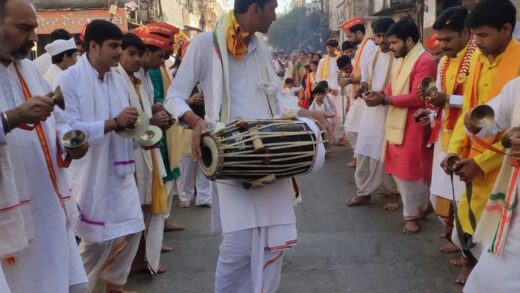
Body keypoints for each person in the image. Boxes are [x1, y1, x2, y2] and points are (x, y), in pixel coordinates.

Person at [165, 0, 332, 291]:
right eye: (273, 8)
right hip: (232, 157)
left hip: (270, 157)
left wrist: (307, 114)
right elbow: (174, 97)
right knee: (239, 246)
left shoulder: (262, 51)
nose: (276, 16)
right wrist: (195, 121)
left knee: (272, 245)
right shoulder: (206, 45)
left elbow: (275, 103)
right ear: (255, 8)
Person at [0, 1, 89, 292]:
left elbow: (54, 124)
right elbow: (19, 121)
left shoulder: (27, 69)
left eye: (35, 29)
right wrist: (13, 118)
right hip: (11, 220)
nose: (35, 38)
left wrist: (69, 144)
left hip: (49, 210)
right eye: (25, 28)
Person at [57, 20, 145, 292]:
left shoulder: (116, 79)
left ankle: (114, 285)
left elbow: (123, 121)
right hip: (89, 171)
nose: (119, 52)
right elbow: (68, 129)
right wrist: (114, 123)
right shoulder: (68, 79)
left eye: (120, 46)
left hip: (118, 168)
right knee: (95, 240)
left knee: (133, 228)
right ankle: (72, 286)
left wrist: (136, 129)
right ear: (93, 46)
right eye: (114, 46)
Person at [442, 0, 520, 284]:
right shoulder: (477, 60)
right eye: (474, 35)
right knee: (471, 217)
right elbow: (477, 115)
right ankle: (470, 263)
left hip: (504, 169)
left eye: (483, 36)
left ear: (507, 29)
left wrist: (482, 161)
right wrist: (455, 150)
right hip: (479, 157)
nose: (476, 42)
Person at [364, 18, 437, 234]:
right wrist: (380, 94)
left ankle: (412, 216)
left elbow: (418, 97)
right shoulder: (402, 59)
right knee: (400, 170)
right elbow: (393, 86)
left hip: (414, 124)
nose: (391, 47)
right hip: (400, 122)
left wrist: (385, 100)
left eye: (394, 43)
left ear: (409, 40)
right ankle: (422, 206)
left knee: (409, 172)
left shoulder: (424, 61)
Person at [418, 7, 477, 264]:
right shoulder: (444, 62)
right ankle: (457, 239)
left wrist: (449, 100)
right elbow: (442, 102)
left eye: (447, 39)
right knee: (448, 192)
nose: (442, 45)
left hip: (471, 138)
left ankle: (469, 257)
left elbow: (481, 103)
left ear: (466, 33)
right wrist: (429, 113)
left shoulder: (476, 58)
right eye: (439, 40)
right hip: (446, 135)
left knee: (466, 197)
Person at [117, 31, 172, 276]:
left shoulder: (138, 78)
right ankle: (129, 265)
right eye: (132, 54)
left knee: (144, 209)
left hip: (144, 149)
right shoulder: (117, 78)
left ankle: (142, 259)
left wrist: (155, 114)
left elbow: (140, 114)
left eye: (139, 54)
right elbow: (125, 121)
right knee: (133, 212)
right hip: (127, 154)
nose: (137, 59)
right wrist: (152, 118)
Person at [462, 77, 520, 293]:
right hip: (514, 207)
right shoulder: (517, 87)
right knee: (489, 281)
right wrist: (472, 119)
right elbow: (490, 117)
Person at [344, 17, 400, 210]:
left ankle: (393, 193)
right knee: (364, 149)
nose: (381, 41)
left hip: (390, 109)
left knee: (386, 152)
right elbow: (366, 78)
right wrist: (364, 89)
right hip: (371, 110)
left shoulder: (399, 56)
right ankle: (363, 191)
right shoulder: (372, 53)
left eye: (384, 36)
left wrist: (382, 96)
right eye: (377, 36)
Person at [146, 22, 186, 232]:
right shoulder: (153, 69)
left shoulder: (161, 65)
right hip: (158, 128)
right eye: (169, 43)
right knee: (162, 178)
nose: (172, 47)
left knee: (170, 174)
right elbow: (157, 97)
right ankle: (157, 225)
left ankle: (164, 220)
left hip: (167, 124)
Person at [343, 18, 377, 165]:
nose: (349, 40)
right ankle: (359, 157)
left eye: (350, 36)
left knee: (356, 129)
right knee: (351, 128)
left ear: (358, 32)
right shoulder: (361, 47)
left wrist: (350, 81)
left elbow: (369, 74)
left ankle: (361, 158)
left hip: (366, 95)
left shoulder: (369, 47)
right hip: (360, 94)